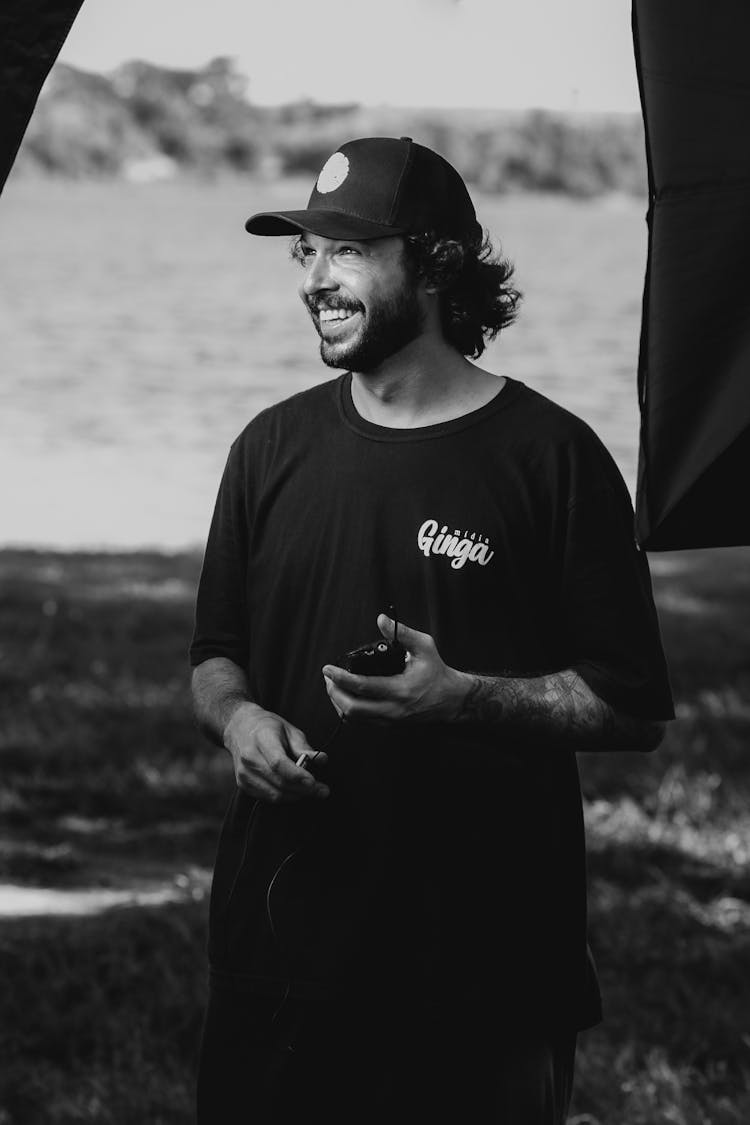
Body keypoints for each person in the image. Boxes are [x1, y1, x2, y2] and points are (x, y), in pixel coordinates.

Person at [190, 136, 674, 1124]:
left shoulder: (555, 460)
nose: (315, 280)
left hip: (483, 976)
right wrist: (238, 721)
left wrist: (464, 699)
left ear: (437, 260)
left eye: (346, 250)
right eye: (305, 252)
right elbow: (215, 657)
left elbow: (631, 705)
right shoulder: (268, 448)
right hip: (282, 960)